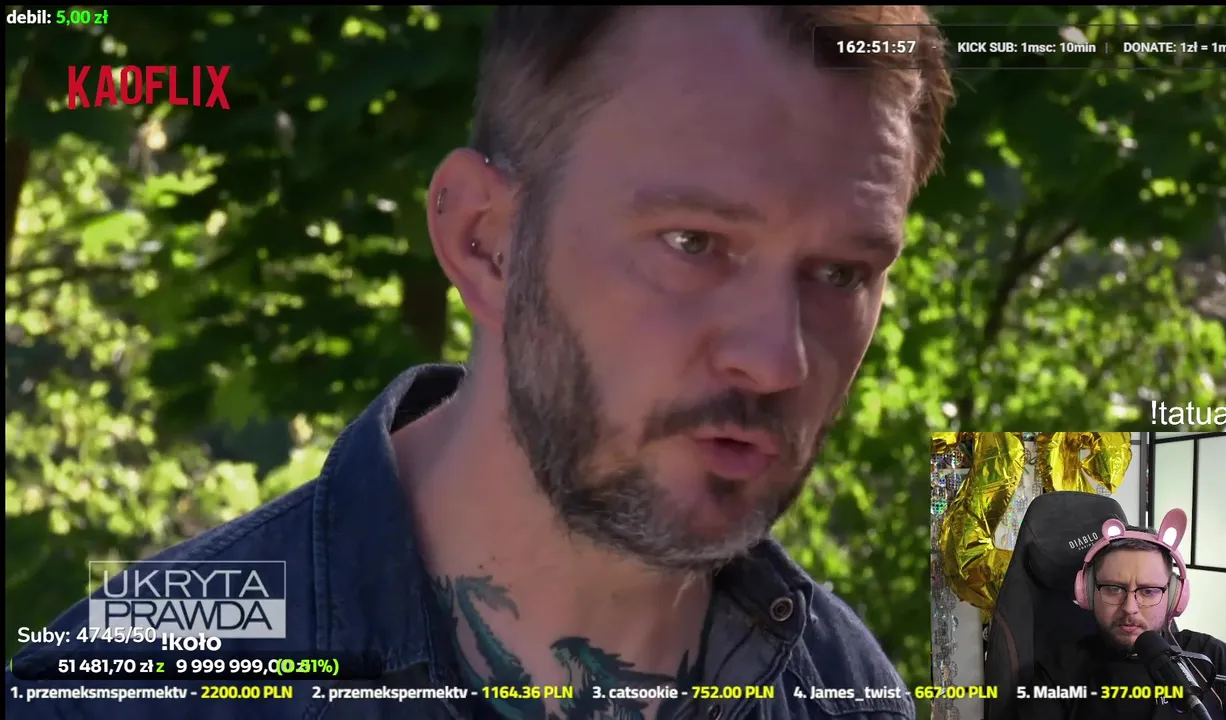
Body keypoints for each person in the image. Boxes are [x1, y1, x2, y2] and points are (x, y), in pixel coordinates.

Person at [6, 6, 954, 719]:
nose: (776, 358)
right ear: (487, 242)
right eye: (693, 243)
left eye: (841, 273)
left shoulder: (847, 691)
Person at [1027, 511, 1226, 720]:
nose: (1130, 608)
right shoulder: (1057, 674)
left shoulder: (1213, 659)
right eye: (1114, 588)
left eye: (1148, 591)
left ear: (1175, 596)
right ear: (1088, 592)